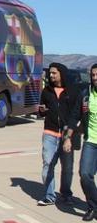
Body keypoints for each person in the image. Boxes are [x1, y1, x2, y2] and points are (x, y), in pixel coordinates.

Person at [37, 63, 80, 206]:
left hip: (66, 134)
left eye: (54, 73)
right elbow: (41, 111)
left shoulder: (72, 92)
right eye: (50, 73)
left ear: (61, 73)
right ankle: (49, 195)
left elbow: (76, 113)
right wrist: (42, 110)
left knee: (67, 166)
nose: (51, 75)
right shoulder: (46, 91)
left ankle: (66, 194)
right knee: (48, 164)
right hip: (50, 132)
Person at [78, 63, 97, 221]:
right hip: (91, 140)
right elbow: (76, 114)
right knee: (85, 174)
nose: (95, 78)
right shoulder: (86, 94)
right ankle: (93, 206)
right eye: (93, 75)